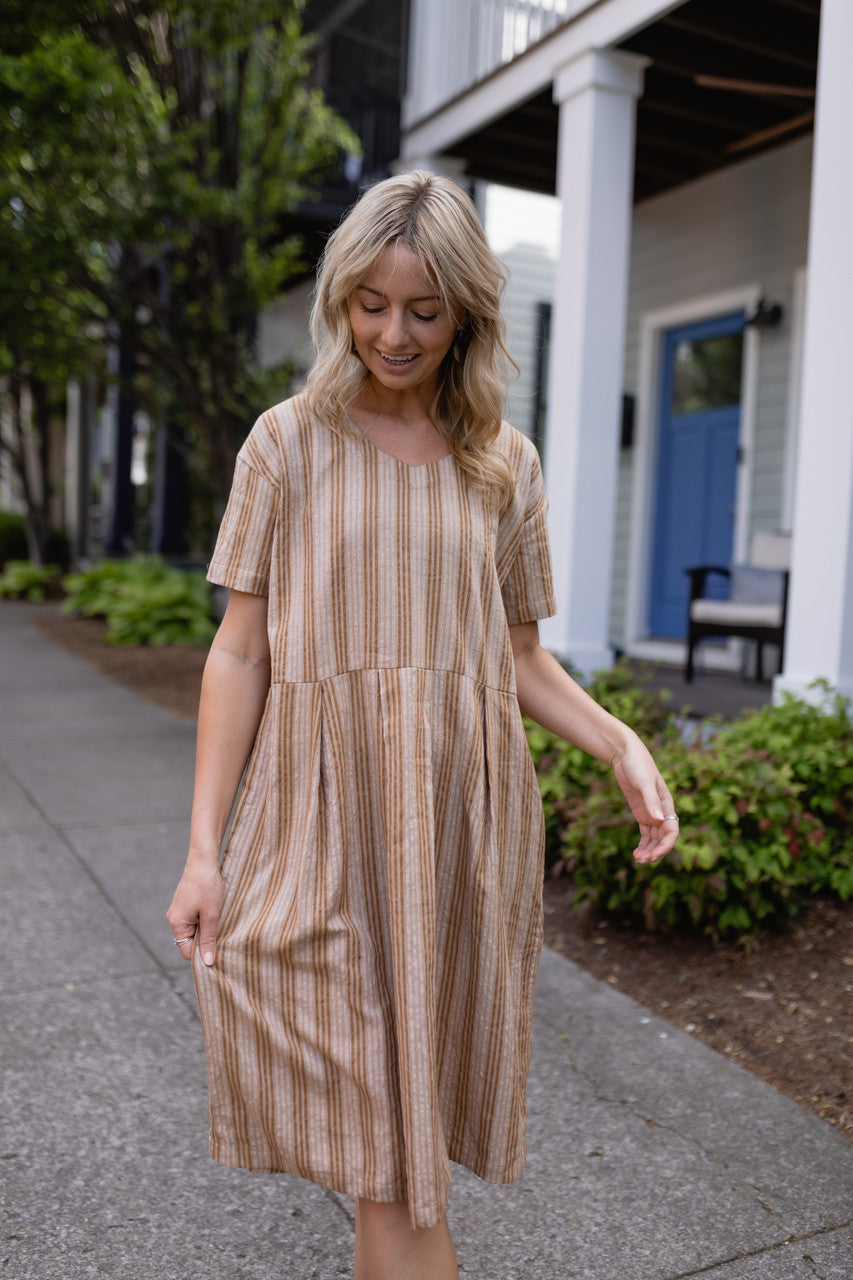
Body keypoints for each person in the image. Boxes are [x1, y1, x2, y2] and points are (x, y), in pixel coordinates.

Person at [167, 169, 678, 1280]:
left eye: (425, 310)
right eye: (371, 303)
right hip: (321, 815)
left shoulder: (504, 461)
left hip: (453, 822)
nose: (393, 334)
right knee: (380, 1142)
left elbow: (517, 655)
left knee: (395, 1155)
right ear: (341, 298)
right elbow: (240, 649)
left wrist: (618, 742)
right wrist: (205, 848)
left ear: (468, 314)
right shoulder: (285, 444)